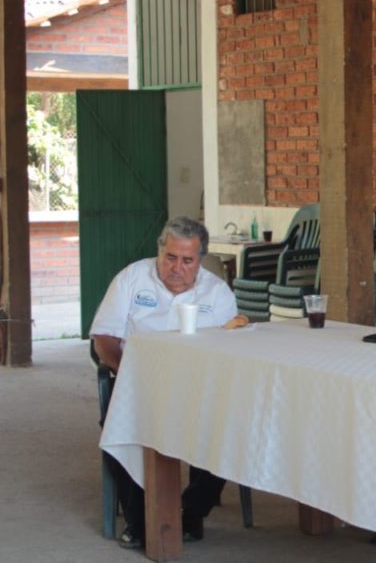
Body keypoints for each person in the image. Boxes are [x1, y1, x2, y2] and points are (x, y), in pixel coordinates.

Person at [91, 216, 242, 550]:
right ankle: (139, 517)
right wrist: (126, 372)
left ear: (200, 260)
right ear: (159, 252)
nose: (177, 267)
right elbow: (103, 337)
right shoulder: (132, 278)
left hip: (197, 384)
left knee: (228, 422)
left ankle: (191, 512)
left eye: (187, 260)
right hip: (138, 380)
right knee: (122, 423)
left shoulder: (216, 292)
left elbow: (232, 348)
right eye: (170, 257)